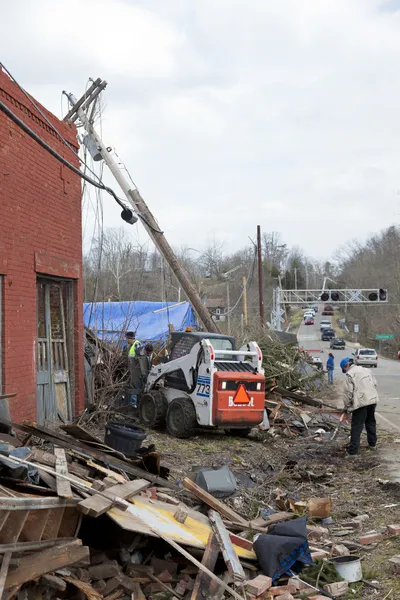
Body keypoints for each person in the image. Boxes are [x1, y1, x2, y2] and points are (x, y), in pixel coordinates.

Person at [340, 357, 379, 458]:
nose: (345, 371)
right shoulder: (367, 370)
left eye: (344, 370)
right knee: (370, 422)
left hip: (361, 403)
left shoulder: (350, 374)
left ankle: (353, 452)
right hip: (372, 399)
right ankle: (372, 444)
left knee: (357, 426)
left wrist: (347, 407)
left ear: (346, 366)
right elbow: (375, 383)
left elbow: (348, 393)